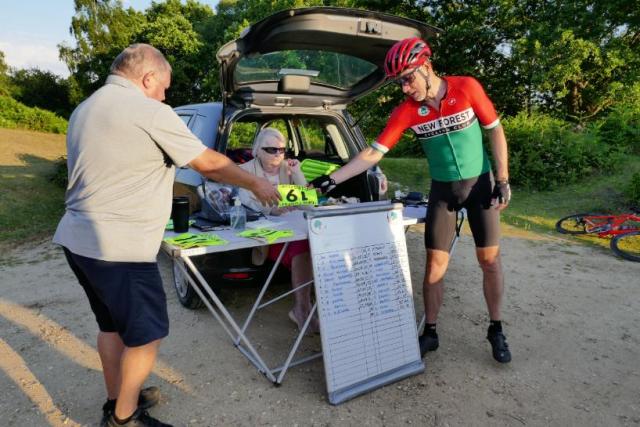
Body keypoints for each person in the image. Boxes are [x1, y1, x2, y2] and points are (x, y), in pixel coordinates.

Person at [53, 44, 280, 427]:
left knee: (111, 327)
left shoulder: (85, 109)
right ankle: (124, 418)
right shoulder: (147, 111)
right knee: (146, 335)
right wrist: (256, 182)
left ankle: (117, 398)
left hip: (79, 240)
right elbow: (209, 164)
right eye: (164, 88)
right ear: (148, 78)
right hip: (119, 247)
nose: (164, 97)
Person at [310, 37, 512, 364]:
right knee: (434, 266)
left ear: (426, 66)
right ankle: (430, 331)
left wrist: (502, 179)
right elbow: (373, 153)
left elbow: (495, 130)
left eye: (407, 79)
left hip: (480, 186)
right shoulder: (407, 111)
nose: (405, 88)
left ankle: (496, 328)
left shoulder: (466, 87)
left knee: (489, 261)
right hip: (444, 191)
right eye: (399, 83)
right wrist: (333, 179)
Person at [237, 128, 318, 333]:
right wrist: (271, 209)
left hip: (294, 227)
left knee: (311, 241)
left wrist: (297, 173)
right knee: (302, 245)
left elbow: (309, 204)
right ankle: (302, 310)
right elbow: (246, 203)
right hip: (267, 234)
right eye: (271, 149)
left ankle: (305, 308)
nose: (278, 154)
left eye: (282, 150)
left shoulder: (287, 168)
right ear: (257, 150)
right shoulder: (244, 170)